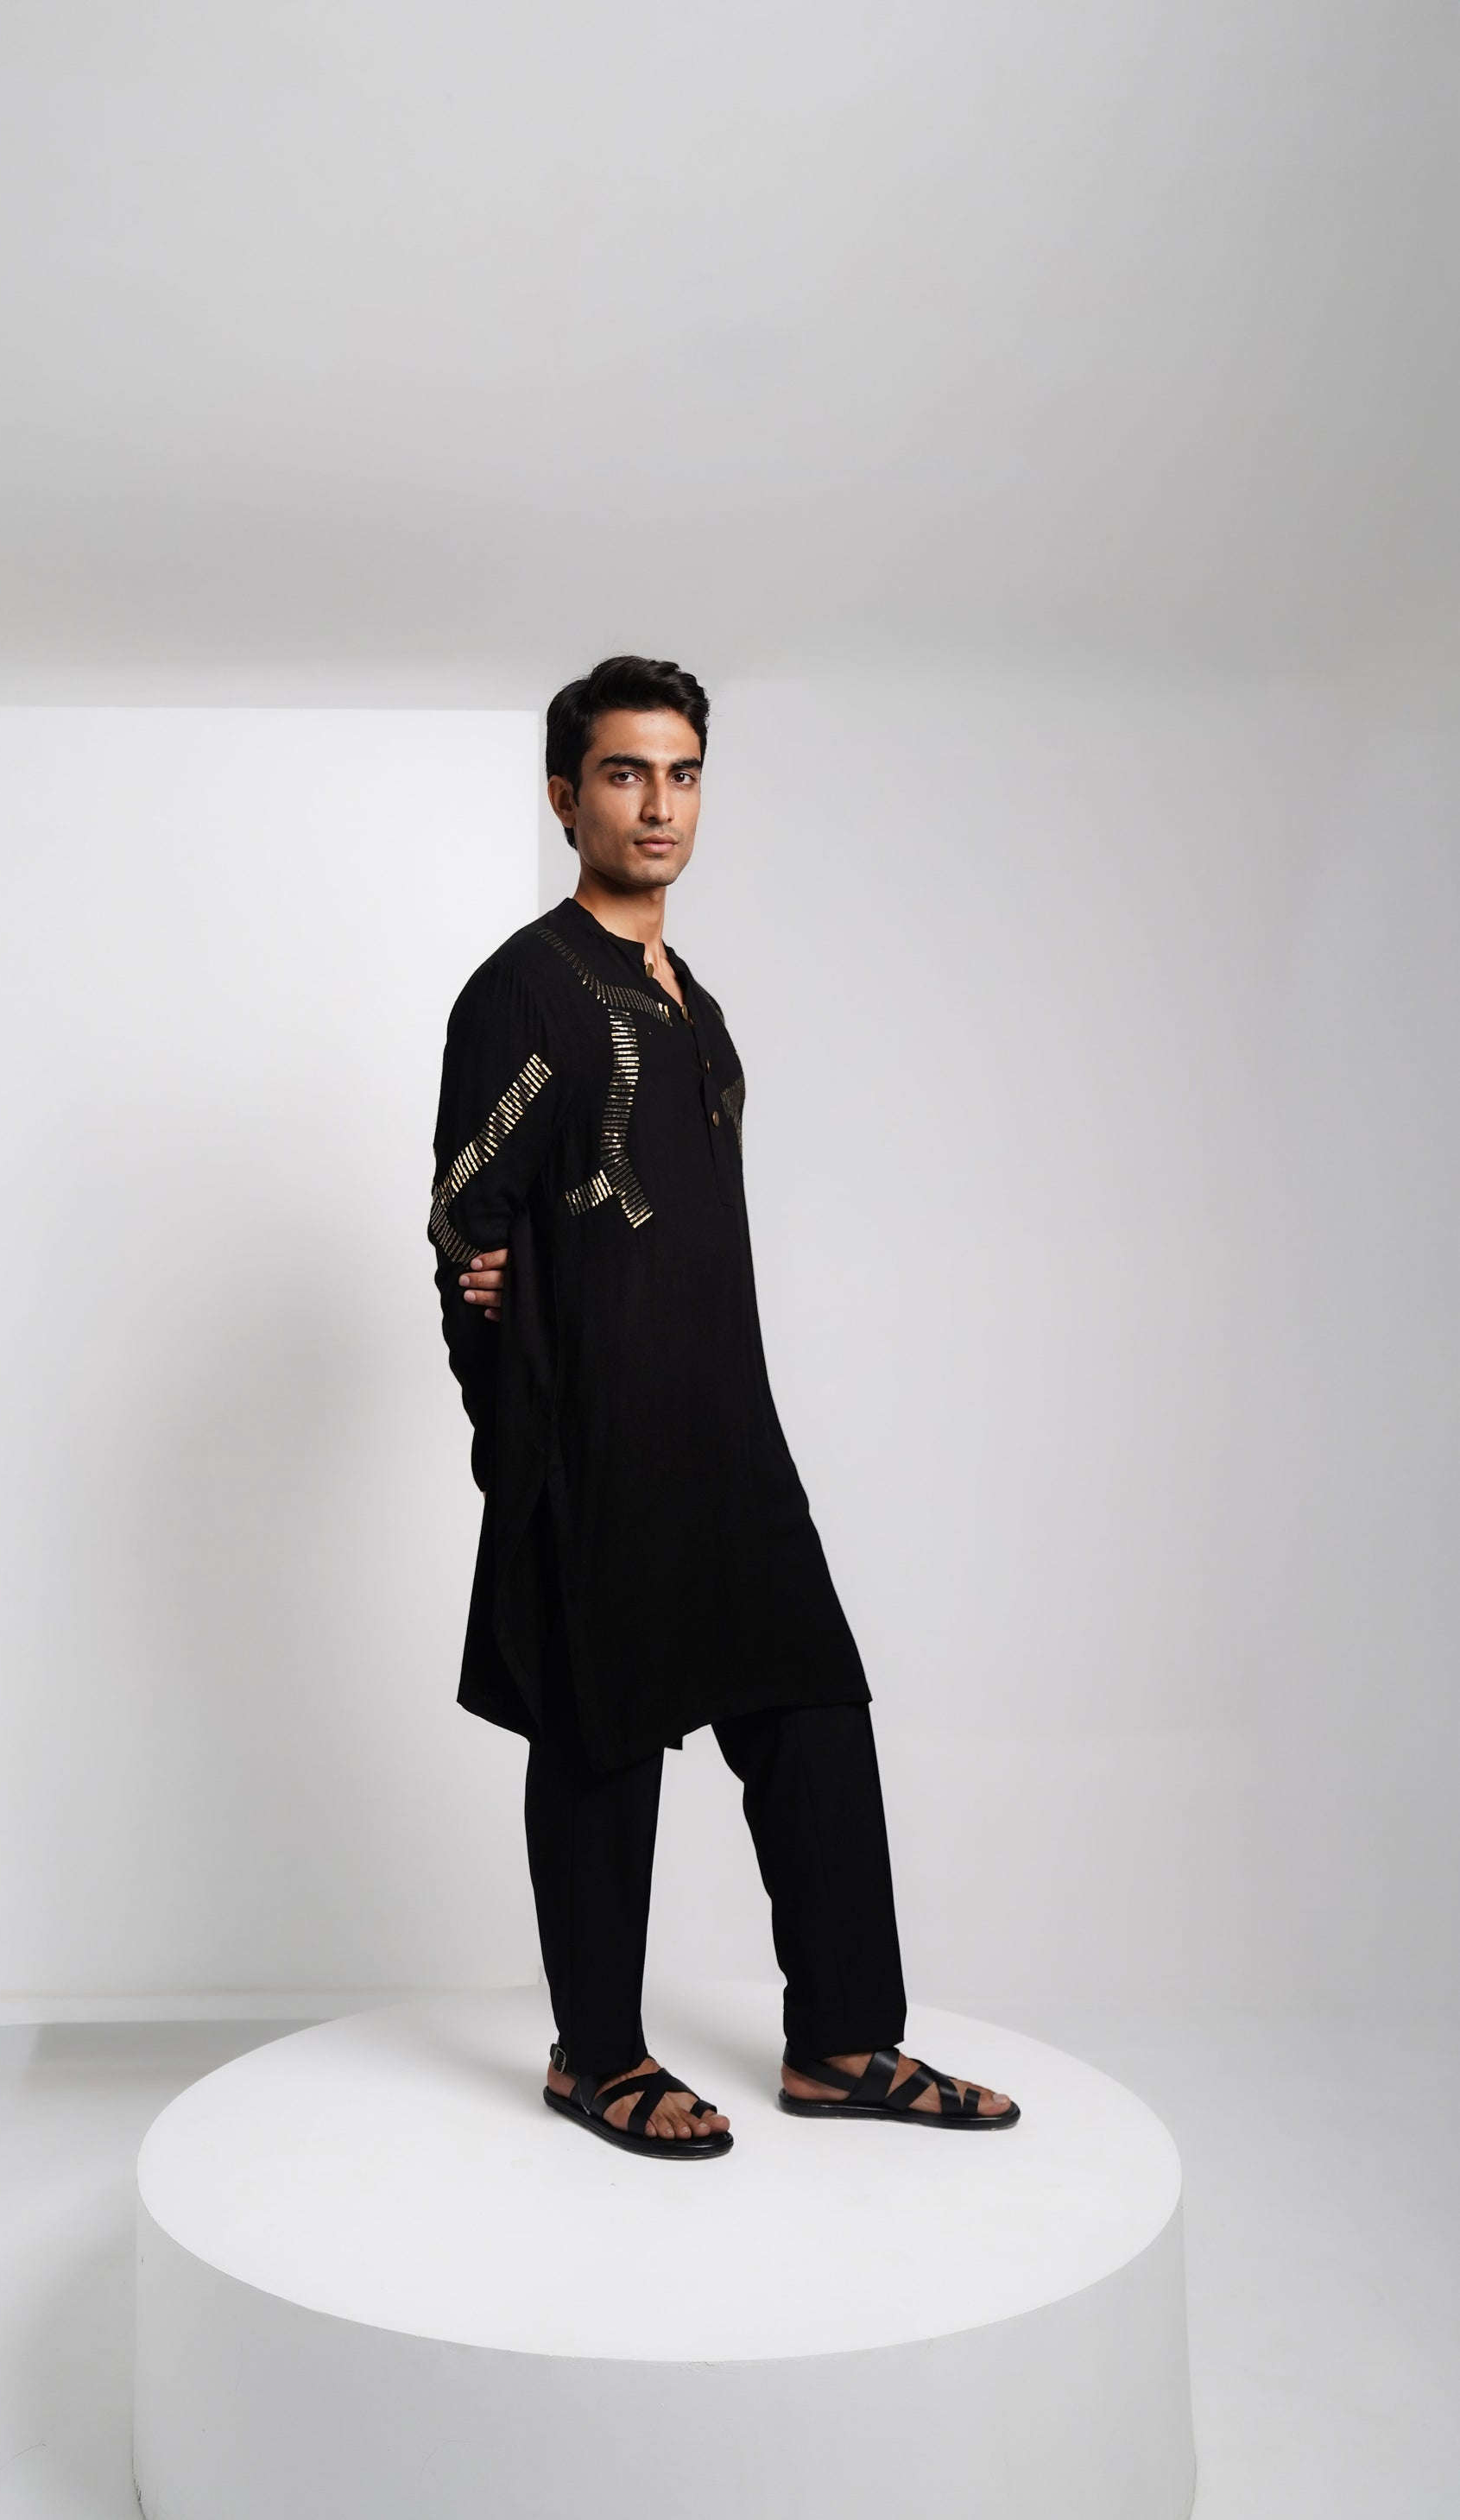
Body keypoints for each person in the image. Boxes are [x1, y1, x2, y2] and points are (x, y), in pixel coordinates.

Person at [428, 654, 1017, 2157]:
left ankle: (842, 2041)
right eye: (625, 773)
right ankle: (596, 2058)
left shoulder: (692, 1002)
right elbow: (461, 1217)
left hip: (727, 1426)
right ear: (563, 796)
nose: (658, 804)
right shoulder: (528, 988)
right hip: (595, 1435)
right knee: (602, 1735)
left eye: (681, 774)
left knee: (811, 1707)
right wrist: (523, 1426)